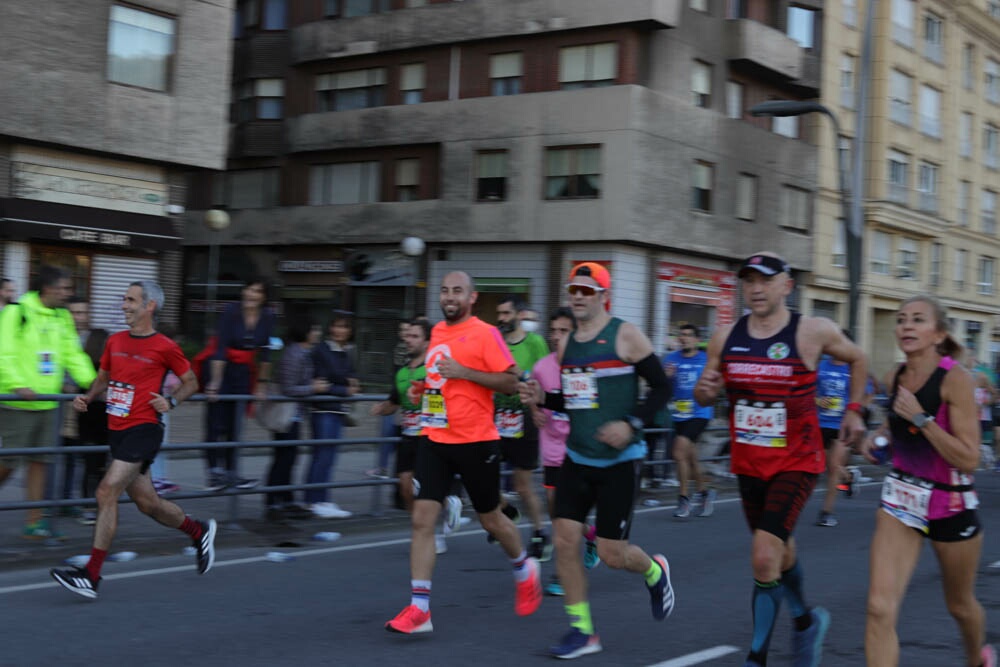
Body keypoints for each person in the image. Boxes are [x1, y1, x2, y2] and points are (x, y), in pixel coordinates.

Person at [693, 252, 868, 667]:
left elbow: (859, 358)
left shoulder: (813, 331)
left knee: (763, 554)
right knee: (779, 549)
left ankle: (757, 658)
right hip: (749, 462)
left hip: (798, 460)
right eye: (749, 280)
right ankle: (807, 622)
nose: (755, 288)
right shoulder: (724, 336)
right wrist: (704, 389)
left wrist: (855, 408)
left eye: (765, 280)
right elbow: (705, 394)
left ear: (786, 285)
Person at [520, 262, 675, 660]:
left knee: (611, 554)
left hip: (621, 461)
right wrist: (543, 400)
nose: (578, 296)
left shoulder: (625, 334)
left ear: (604, 296)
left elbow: (662, 387)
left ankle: (655, 571)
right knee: (566, 539)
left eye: (587, 290)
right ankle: (582, 630)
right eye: (574, 289)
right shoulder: (569, 343)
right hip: (578, 457)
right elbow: (575, 401)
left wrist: (632, 423)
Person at [385, 271, 542, 635]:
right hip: (435, 437)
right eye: (445, 290)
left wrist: (465, 371)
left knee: (491, 519)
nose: (450, 296)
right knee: (422, 520)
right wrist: (420, 389)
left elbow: (509, 381)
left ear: (471, 298)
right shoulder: (438, 332)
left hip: (476, 440)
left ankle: (523, 567)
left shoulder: (485, 333)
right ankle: (420, 609)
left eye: (458, 290)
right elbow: (440, 377)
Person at [49, 281, 217, 599]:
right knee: (147, 503)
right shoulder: (115, 340)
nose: (124, 305)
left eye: (130, 300)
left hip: (144, 429)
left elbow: (191, 381)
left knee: (105, 490)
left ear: (149, 306)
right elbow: (104, 376)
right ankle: (199, 531)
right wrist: (88, 396)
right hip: (118, 430)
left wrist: (172, 402)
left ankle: (91, 575)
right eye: (124, 299)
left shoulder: (164, 345)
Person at [861, 295, 995, 667]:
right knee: (878, 608)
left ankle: (976, 658)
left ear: (938, 334)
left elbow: (969, 459)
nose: (906, 325)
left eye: (918, 320)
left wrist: (923, 420)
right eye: (902, 319)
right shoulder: (895, 376)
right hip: (900, 502)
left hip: (949, 503)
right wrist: (878, 440)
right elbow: (895, 426)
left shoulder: (957, 380)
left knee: (960, 605)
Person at [0, 266, 95, 539]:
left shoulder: (62, 316)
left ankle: (35, 523)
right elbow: (3, 353)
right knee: (10, 460)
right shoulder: (16, 312)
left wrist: (92, 382)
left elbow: (72, 353)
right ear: (48, 289)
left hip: (49, 403)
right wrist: (18, 384)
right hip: (16, 401)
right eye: (65, 288)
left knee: (40, 461)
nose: (69, 293)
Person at [370, 318, 463, 554]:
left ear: (428, 341)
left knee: (428, 488)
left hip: (429, 436)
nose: (408, 340)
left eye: (414, 336)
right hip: (408, 436)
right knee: (405, 488)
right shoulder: (402, 372)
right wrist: (382, 409)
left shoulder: (435, 369)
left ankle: (440, 518)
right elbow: (395, 402)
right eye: (407, 336)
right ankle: (424, 529)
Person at [532, 307, 601, 597]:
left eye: (564, 331)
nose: (557, 336)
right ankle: (592, 535)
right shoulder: (541, 367)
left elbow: (594, 406)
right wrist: (534, 410)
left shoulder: (585, 366)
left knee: (563, 517)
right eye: (554, 331)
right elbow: (532, 394)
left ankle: (562, 575)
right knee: (556, 511)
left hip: (577, 451)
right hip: (551, 449)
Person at [204, 277, 275, 491]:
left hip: (245, 371)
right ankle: (214, 472)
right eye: (249, 289)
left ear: (264, 297)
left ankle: (231, 472)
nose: (252, 295)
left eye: (257, 291)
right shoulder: (230, 311)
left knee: (236, 423)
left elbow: (266, 353)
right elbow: (220, 348)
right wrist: (215, 382)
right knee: (216, 422)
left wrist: (261, 383)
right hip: (222, 367)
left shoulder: (268, 316)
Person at [494, 295, 551, 559]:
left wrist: (539, 408)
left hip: (525, 415)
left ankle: (540, 531)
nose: (501, 318)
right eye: (499, 314)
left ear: (518, 315)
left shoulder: (534, 342)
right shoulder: (495, 341)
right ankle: (507, 511)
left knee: (523, 484)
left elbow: (546, 377)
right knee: (481, 474)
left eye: (506, 313)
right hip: (497, 416)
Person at [264, 321, 327, 521]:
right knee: (284, 457)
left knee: (290, 457)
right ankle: (274, 502)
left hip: (296, 413)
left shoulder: (303, 352)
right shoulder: (294, 354)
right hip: (288, 414)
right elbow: (288, 388)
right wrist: (313, 388)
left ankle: (285, 499)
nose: (318, 332)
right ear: (305, 332)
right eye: (315, 328)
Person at [61, 298, 110, 525]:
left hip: (87, 406)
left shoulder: (93, 338)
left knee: (82, 459)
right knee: (72, 458)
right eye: (74, 312)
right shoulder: (64, 337)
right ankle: (66, 503)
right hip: (73, 406)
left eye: (82, 312)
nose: (78, 317)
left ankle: (74, 503)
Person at [814, 335, 871, 527]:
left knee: (832, 466)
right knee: (822, 466)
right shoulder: (822, 365)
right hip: (821, 422)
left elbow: (869, 392)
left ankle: (826, 512)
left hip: (842, 424)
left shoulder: (854, 367)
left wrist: (856, 411)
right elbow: (810, 391)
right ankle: (850, 477)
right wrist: (818, 401)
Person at [306, 313, 358, 519]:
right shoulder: (322, 350)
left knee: (328, 456)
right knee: (323, 455)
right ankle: (314, 500)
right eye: (337, 326)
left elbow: (351, 376)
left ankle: (321, 498)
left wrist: (349, 382)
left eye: (344, 327)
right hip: (323, 409)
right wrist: (345, 389)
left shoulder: (345, 351)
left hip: (336, 409)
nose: (340, 331)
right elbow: (322, 383)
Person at [664, 323, 716, 518]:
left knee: (679, 452)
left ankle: (684, 499)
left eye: (688, 335)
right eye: (681, 335)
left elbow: (716, 382)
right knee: (690, 457)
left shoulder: (705, 359)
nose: (684, 338)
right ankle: (704, 493)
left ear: (696, 339)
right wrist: (667, 378)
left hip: (700, 413)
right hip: (679, 414)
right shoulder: (671, 360)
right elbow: (663, 387)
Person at [369, 321, 412, 481]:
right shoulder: (400, 348)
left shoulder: (410, 352)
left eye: (408, 331)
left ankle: (386, 468)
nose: (404, 334)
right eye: (401, 330)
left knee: (393, 436)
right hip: (397, 396)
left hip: (403, 399)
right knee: (388, 434)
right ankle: (384, 467)